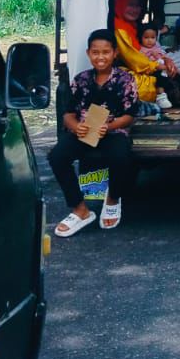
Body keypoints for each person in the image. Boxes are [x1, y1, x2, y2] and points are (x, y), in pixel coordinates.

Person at [48, 28, 137, 235]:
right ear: (88, 53)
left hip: (113, 132)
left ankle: (113, 198)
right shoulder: (80, 80)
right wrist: (75, 126)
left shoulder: (125, 80)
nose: (100, 57)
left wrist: (110, 126)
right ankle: (80, 210)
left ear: (115, 53)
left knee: (120, 156)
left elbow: (130, 115)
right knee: (57, 157)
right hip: (84, 132)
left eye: (106, 52)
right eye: (95, 52)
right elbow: (68, 114)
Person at [112, 0, 176, 114]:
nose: (135, 9)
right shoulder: (119, 27)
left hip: (144, 66)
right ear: (120, 4)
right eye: (130, 5)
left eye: (138, 6)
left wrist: (166, 60)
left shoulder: (133, 26)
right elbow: (133, 59)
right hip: (130, 69)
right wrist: (158, 66)